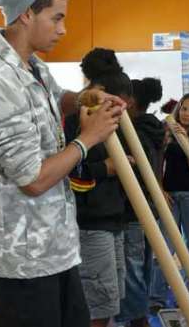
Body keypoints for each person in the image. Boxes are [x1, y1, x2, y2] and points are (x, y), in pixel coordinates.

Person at [0, 0, 125, 327]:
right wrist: (88, 138)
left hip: (54, 248)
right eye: (56, 18)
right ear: (25, 14)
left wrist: (86, 98)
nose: (63, 29)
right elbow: (33, 178)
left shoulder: (30, 65)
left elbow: (56, 96)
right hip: (22, 258)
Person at [65, 48, 132, 327]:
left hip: (112, 219)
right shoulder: (77, 121)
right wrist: (106, 168)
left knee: (111, 297)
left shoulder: (111, 122)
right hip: (92, 224)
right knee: (98, 302)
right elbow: (70, 172)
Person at [150, 93, 189, 311]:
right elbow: (156, 162)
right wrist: (160, 188)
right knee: (164, 247)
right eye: (184, 108)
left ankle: (186, 297)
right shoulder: (168, 131)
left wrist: (185, 139)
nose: (186, 114)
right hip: (171, 194)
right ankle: (156, 297)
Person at [116, 77, 165, 327]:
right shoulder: (155, 129)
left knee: (132, 267)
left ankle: (137, 319)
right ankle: (140, 312)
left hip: (133, 210)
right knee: (144, 264)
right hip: (149, 209)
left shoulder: (133, 133)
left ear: (131, 101)